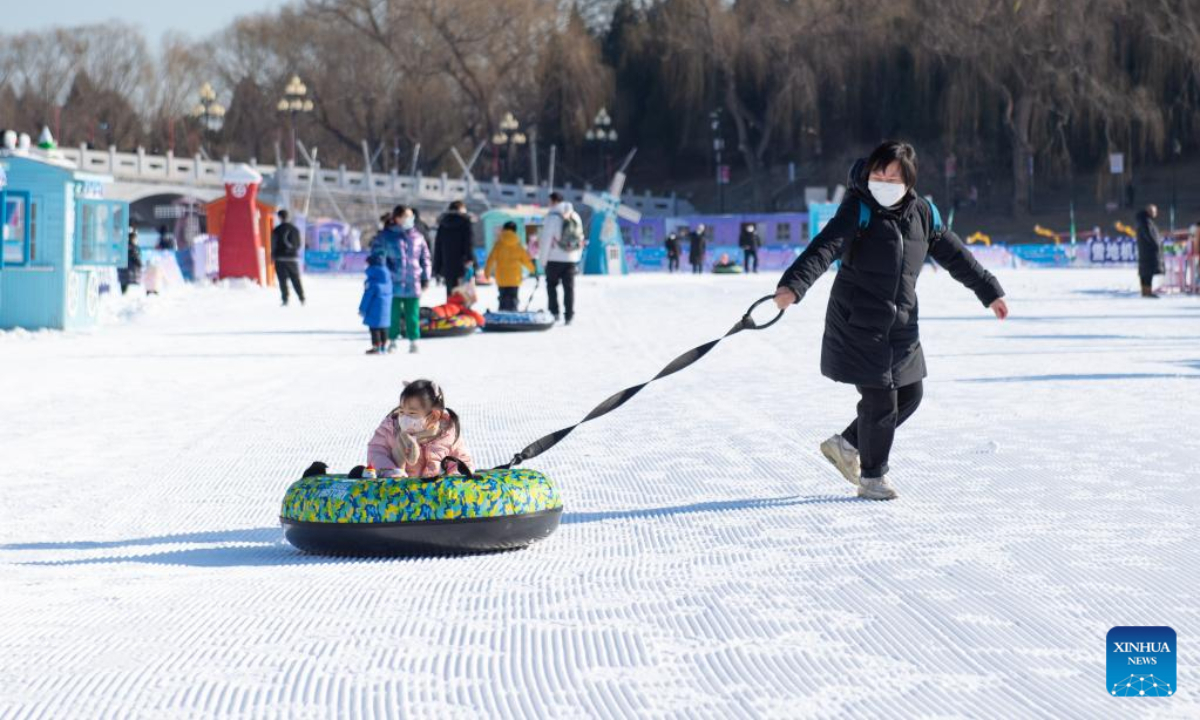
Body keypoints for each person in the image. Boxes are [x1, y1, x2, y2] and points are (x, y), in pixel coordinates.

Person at [773, 140, 1008, 501]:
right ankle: (872, 477)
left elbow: (956, 256)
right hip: (858, 323)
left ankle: (847, 445)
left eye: (891, 176)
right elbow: (826, 246)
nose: (881, 180)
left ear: (908, 181)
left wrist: (989, 290)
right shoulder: (858, 208)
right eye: (877, 173)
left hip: (901, 325)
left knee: (911, 393)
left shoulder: (924, 214)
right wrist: (793, 285)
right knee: (882, 400)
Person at [367, 379, 473, 478]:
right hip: (398, 492)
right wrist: (390, 471)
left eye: (412, 413)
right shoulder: (391, 429)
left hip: (433, 493)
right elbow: (376, 451)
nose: (404, 418)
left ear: (434, 416)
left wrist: (454, 478)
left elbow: (462, 459)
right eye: (402, 412)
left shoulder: (447, 434)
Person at [371, 204, 431, 353]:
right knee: (393, 314)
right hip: (392, 283)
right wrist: (382, 276)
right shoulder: (386, 236)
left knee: (412, 314)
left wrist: (425, 277)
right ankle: (392, 340)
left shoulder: (418, 236)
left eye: (411, 216)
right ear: (397, 218)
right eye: (406, 216)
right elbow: (377, 257)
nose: (410, 219)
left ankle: (414, 340)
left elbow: (426, 258)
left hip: (413, 281)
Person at [539, 191, 585, 325]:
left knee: (552, 286)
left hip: (554, 258)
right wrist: (577, 257)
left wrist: (543, 260)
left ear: (553, 201)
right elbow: (580, 238)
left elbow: (546, 240)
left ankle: (554, 313)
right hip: (571, 259)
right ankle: (569, 315)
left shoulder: (552, 217)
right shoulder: (575, 216)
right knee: (569, 288)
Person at [485, 221, 536, 311]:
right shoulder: (518, 245)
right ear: (515, 231)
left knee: (502, 298)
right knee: (513, 298)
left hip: (501, 277)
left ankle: (502, 316)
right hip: (514, 278)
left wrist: (487, 273)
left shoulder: (498, 244)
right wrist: (533, 270)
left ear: (504, 229)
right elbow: (526, 260)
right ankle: (513, 315)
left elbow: (490, 259)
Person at [433, 201, 475, 300]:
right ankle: (462, 314)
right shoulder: (465, 222)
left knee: (451, 293)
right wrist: (471, 259)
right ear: (461, 209)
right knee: (463, 294)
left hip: (447, 265)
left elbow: (438, 246)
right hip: (462, 264)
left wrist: (437, 267)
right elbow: (468, 244)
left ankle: (451, 312)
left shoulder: (443, 224)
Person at [358, 253, 393, 355]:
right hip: (385, 310)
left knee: (374, 328)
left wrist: (362, 309)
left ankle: (376, 346)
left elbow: (367, 297)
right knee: (384, 327)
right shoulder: (388, 280)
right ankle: (383, 346)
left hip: (374, 310)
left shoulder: (373, 281)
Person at [271, 209, 305, 306]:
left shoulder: (276, 230)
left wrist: (273, 256)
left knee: (282, 280)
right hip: (292, 258)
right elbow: (298, 244)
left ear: (279, 217)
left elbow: (273, 244)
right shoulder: (295, 229)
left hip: (280, 258)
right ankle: (301, 298)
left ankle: (285, 299)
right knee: (295, 279)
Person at [1136, 204, 1164, 298]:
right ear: (1149, 212)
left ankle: (1145, 291)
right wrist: (1156, 245)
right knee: (1148, 272)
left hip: (1145, 250)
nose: (1155, 213)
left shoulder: (1143, 221)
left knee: (1145, 272)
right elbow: (1149, 236)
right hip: (1148, 251)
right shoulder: (1146, 222)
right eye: (1153, 211)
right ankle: (1147, 292)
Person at [118, 229, 143, 294]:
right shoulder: (134, 248)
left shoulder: (123, 246)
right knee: (130, 296)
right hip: (131, 275)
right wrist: (141, 264)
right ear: (133, 238)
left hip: (123, 274)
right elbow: (136, 258)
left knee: (123, 293)